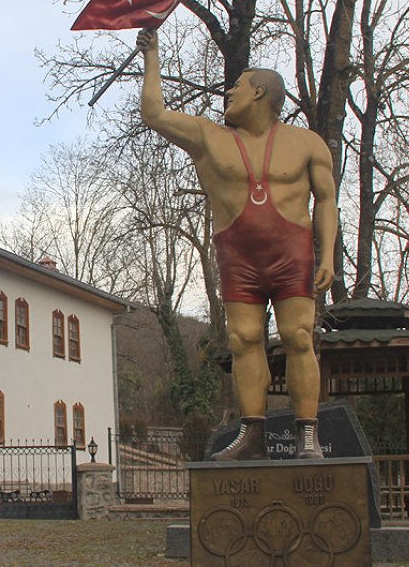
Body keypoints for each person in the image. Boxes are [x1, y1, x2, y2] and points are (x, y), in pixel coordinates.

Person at [137, 28, 338, 460]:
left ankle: (308, 435)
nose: (228, 93)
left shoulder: (306, 143)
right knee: (244, 338)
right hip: (239, 256)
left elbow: (326, 198)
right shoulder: (212, 138)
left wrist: (329, 255)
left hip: (292, 254)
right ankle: (253, 434)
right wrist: (152, 55)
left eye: (237, 87)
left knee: (298, 335)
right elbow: (154, 113)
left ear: (260, 92)